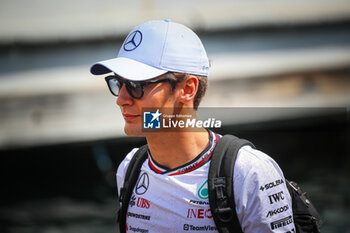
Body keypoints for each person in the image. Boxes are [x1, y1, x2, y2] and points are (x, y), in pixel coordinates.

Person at [90, 20, 296, 233]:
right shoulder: (129, 168)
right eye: (119, 83)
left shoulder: (249, 173)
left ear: (187, 89)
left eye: (135, 85)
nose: (121, 99)